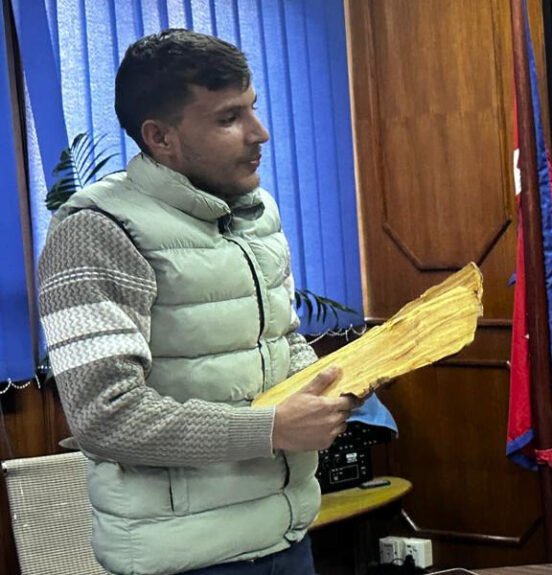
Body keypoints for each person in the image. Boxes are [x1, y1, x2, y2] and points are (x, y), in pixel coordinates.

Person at [37, 29, 356, 575]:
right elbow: (105, 417)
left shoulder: (255, 211)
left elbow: (282, 338)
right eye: (230, 118)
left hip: (287, 537)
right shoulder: (95, 231)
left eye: (253, 107)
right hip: (183, 560)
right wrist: (271, 429)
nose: (260, 133)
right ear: (160, 137)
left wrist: (327, 388)